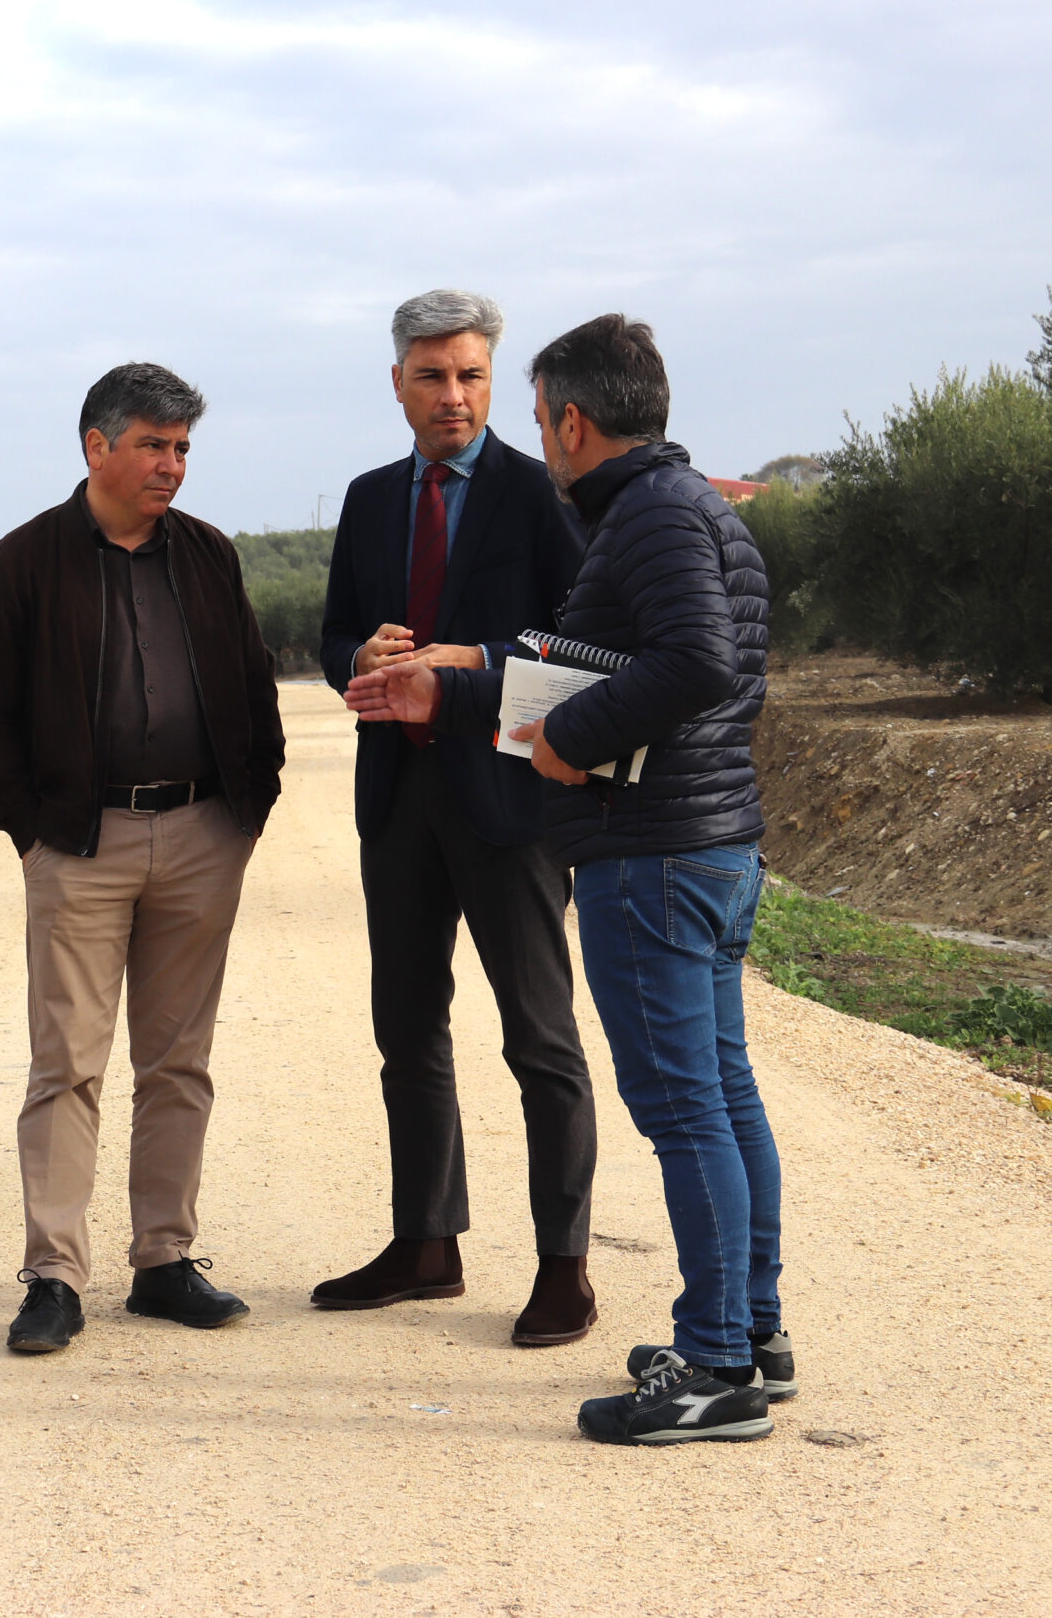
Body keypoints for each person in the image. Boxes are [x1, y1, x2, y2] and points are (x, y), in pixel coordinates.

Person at [346, 315, 783, 1446]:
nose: (531, 437)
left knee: (685, 1110)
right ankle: (751, 1332)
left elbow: (691, 664)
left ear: (571, 420)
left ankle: (716, 1365)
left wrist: (567, 741)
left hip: (655, 851)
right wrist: (468, 672)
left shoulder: (645, 516)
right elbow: (631, 658)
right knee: (724, 1098)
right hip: (706, 840)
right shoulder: (683, 510)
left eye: (530, 411)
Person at [0, 362, 285, 1354]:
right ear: (96, 447)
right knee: (68, 1064)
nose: (172, 466)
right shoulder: (21, 565)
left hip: (201, 838)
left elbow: (255, 687)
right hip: (81, 844)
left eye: (182, 447)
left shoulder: (209, 557)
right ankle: (53, 1273)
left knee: (179, 1059)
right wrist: (35, 826)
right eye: (154, 444)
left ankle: (163, 1261)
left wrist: (248, 806)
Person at [313, 290, 599, 1345]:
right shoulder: (368, 498)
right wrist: (360, 657)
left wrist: (468, 658)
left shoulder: (541, 498)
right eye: (431, 376)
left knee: (540, 1039)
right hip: (396, 796)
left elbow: (582, 649)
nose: (452, 396)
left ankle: (563, 1267)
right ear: (397, 383)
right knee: (407, 1029)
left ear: (495, 383)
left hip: (507, 800)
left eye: (471, 376)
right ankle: (425, 1243)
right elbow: (335, 631)